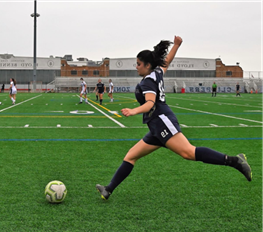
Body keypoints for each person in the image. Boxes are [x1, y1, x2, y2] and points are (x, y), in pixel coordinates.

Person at [96, 36, 252, 201]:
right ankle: (108, 189)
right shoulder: (156, 72)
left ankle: (235, 161)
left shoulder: (148, 81)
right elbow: (167, 61)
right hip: (156, 126)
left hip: (162, 121)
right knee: (131, 156)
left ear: (147, 65)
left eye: (138, 64)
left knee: (188, 152)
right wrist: (176, 45)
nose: (136, 67)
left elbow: (150, 104)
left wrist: (133, 111)